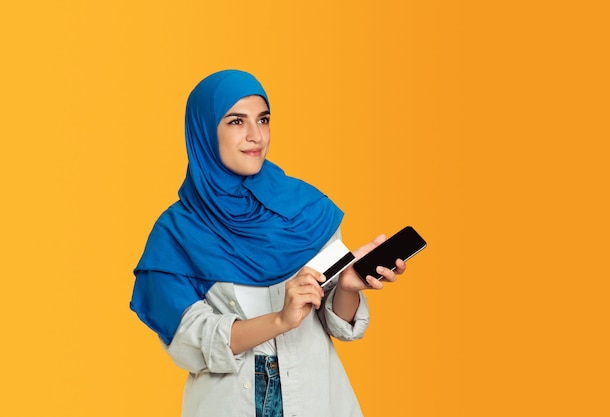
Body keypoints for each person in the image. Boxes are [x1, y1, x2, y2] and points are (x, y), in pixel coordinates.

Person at [130, 69, 407, 417]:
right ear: (203, 131)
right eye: (235, 122)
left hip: (317, 400)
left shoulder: (305, 209)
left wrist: (349, 287)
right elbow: (191, 341)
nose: (255, 135)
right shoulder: (177, 232)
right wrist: (279, 321)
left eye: (263, 119)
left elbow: (337, 324)